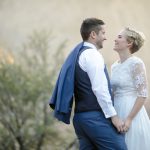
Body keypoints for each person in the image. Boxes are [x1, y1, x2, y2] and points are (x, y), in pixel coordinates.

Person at [111, 27, 150, 150]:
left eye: (119, 37)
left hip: (132, 113)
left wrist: (129, 119)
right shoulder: (114, 66)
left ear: (129, 43)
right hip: (116, 112)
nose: (115, 39)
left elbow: (143, 94)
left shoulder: (136, 63)